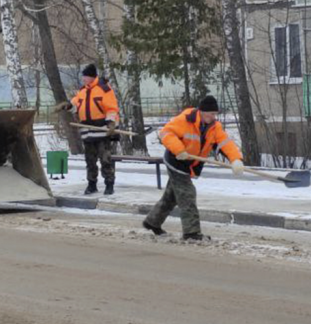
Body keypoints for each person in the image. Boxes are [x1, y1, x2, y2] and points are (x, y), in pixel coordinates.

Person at [142, 95, 244, 241]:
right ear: (202, 111)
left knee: (172, 196)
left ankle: (152, 222)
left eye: (215, 114)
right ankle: (192, 233)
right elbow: (165, 132)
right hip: (176, 161)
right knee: (187, 193)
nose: (213, 117)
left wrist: (236, 160)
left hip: (189, 163)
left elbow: (225, 144)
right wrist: (179, 150)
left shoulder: (215, 127)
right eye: (211, 113)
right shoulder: (185, 119)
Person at [65, 63, 120, 196]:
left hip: (101, 130)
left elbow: (112, 108)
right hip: (87, 131)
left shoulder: (104, 89)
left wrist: (111, 123)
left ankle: (109, 184)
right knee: (90, 161)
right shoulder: (82, 91)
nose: (83, 79)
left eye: (85, 77)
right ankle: (92, 184)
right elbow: (76, 105)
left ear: (91, 77)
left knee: (105, 159)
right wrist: (67, 106)